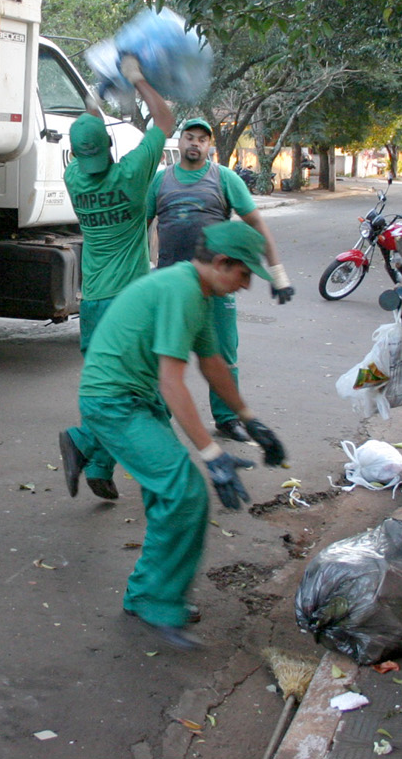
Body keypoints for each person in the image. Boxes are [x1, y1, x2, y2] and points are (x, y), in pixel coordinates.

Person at [72, 220, 287, 650]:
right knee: (185, 491)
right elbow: (174, 383)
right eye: (244, 274)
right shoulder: (183, 290)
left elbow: (212, 364)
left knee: (168, 494)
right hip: (113, 400)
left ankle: (147, 593)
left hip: (134, 395)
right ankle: (155, 598)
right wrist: (212, 455)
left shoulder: (198, 291)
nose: (246, 286)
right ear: (222, 263)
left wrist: (250, 419)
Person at [58, 52, 176, 501]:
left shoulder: (74, 179)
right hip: (127, 304)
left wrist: (96, 99)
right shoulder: (130, 175)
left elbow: (87, 137)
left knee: (104, 387)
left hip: (91, 303)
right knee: (143, 392)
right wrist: (137, 79)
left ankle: (100, 468)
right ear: (109, 149)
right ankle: (91, 446)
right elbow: (165, 120)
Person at [147, 118, 294, 443]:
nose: (195, 144)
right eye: (189, 137)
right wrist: (141, 270)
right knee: (166, 355)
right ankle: (160, 417)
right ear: (180, 142)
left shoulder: (224, 178)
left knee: (223, 354)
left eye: (202, 139)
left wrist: (277, 274)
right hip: (171, 285)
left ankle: (227, 419)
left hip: (216, 285)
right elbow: (141, 226)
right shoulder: (159, 182)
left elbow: (257, 223)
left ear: (209, 145)